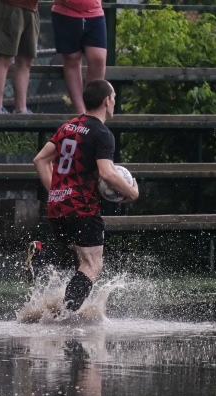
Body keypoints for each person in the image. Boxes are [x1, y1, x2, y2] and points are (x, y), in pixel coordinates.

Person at [32, 79, 139, 312]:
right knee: (92, 265)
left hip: (57, 205)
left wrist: (56, 192)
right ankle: (66, 316)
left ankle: (41, 254)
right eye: (114, 98)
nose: (114, 102)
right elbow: (107, 173)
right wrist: (131, 192)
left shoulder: (68, 127)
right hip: (82, 208)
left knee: (76, 255)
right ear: (106, 101)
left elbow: (40, 160)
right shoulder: (102, 133)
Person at [51, 0, 107, 114]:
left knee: (98, 59)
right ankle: (81, 112)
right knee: (72, 59)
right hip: (65, 12)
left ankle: (91, 108)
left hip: (95, 12)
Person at [0, 0, 39, 114]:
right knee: (5, 58)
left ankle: (21, 109)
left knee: (26, 60)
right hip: (10, 5)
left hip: (32, 8)